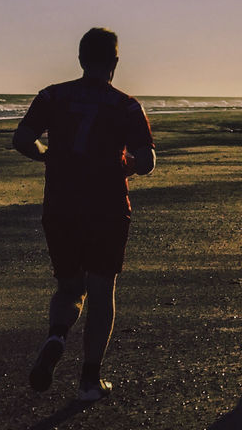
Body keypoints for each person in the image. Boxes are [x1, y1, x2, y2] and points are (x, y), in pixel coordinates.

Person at [15, 27, 155, 402]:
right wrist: (126, 164)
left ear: (80, 59)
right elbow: (147, 161)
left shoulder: (51, 95)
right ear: (114, 62)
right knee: (101, 289)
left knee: (68, 287)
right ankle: (89, 380)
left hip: (61, 206)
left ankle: (57, 336)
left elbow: (22, 139)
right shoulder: (126, 105)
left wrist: (46, 154)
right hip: (107, 208)